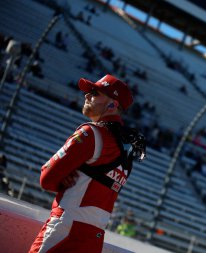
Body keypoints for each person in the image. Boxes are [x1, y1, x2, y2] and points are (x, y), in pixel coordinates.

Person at [29, 74, 146, 253]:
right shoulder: (128, 149)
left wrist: (62, 180)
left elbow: (46, 179)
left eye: (95, 93)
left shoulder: (90, 134)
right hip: (94, 238)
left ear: (113, 104)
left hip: (64, 230)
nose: (87, 96)